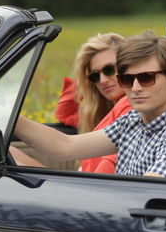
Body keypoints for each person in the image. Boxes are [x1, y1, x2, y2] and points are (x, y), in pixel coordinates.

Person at [15, 30, 166, 180]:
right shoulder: (136, 119)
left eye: (147, 78)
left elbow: (145, 195)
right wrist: (8, 117)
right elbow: (66, 146)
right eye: (126, 79)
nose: (135, 88)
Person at [54, 33, 132, 173]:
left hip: (91, 188)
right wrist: (83, 78)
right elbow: (64, 114)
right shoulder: (100, 110)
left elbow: (113, 162)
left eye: (109, 69)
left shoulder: (132, 105)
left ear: (128, 65)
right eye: (95, 75)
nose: (102, 80)